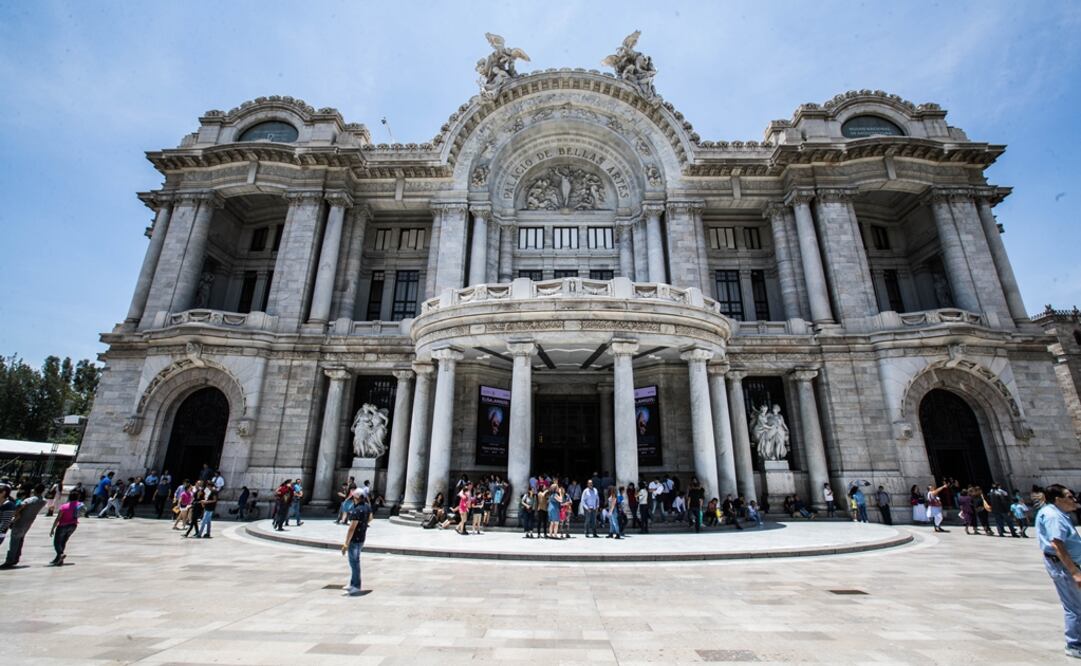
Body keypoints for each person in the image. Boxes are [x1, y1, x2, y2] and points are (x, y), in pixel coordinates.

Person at [1034, 484, 1081, 659]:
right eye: (1070, 496)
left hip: (1063, 564)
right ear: (1058, 499)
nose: (1074, 499)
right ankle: (1075, 644)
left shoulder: (1055, 513)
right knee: (1075, 607)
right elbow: (1057, 544)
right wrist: (1075, 572)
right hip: (1062, 566)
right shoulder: (1053, 516)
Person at [1, 483, 46, 568]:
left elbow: (21, 505)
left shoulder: (31, 499)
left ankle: (10, 560)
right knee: (20, 540)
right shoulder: (43, 501)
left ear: (34, 490)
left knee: (14, 541)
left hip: (20, 522)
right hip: (28, 522)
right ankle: (16, 558)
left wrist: (15, 514)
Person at [340, 489, 371, 596]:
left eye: (354, 497)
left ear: (357, 498)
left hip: (354, 539)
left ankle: (356, 586)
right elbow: (371, 518)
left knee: (354, 563)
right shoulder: (366, 506)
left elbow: (351, 528)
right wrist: (363, 525)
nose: (353, 499)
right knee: (355, 562)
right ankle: (352, 583)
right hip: (362, 537)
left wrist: (346, 543)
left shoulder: (356, 510)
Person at [49, 490, 84, 566]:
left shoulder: (64, 506)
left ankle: (60, 554)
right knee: (63, 542)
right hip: (73, 525)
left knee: (57, 543)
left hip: (62, 526)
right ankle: (58, 559)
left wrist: (52, 528)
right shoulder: (80, 505)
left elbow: (58, 518)